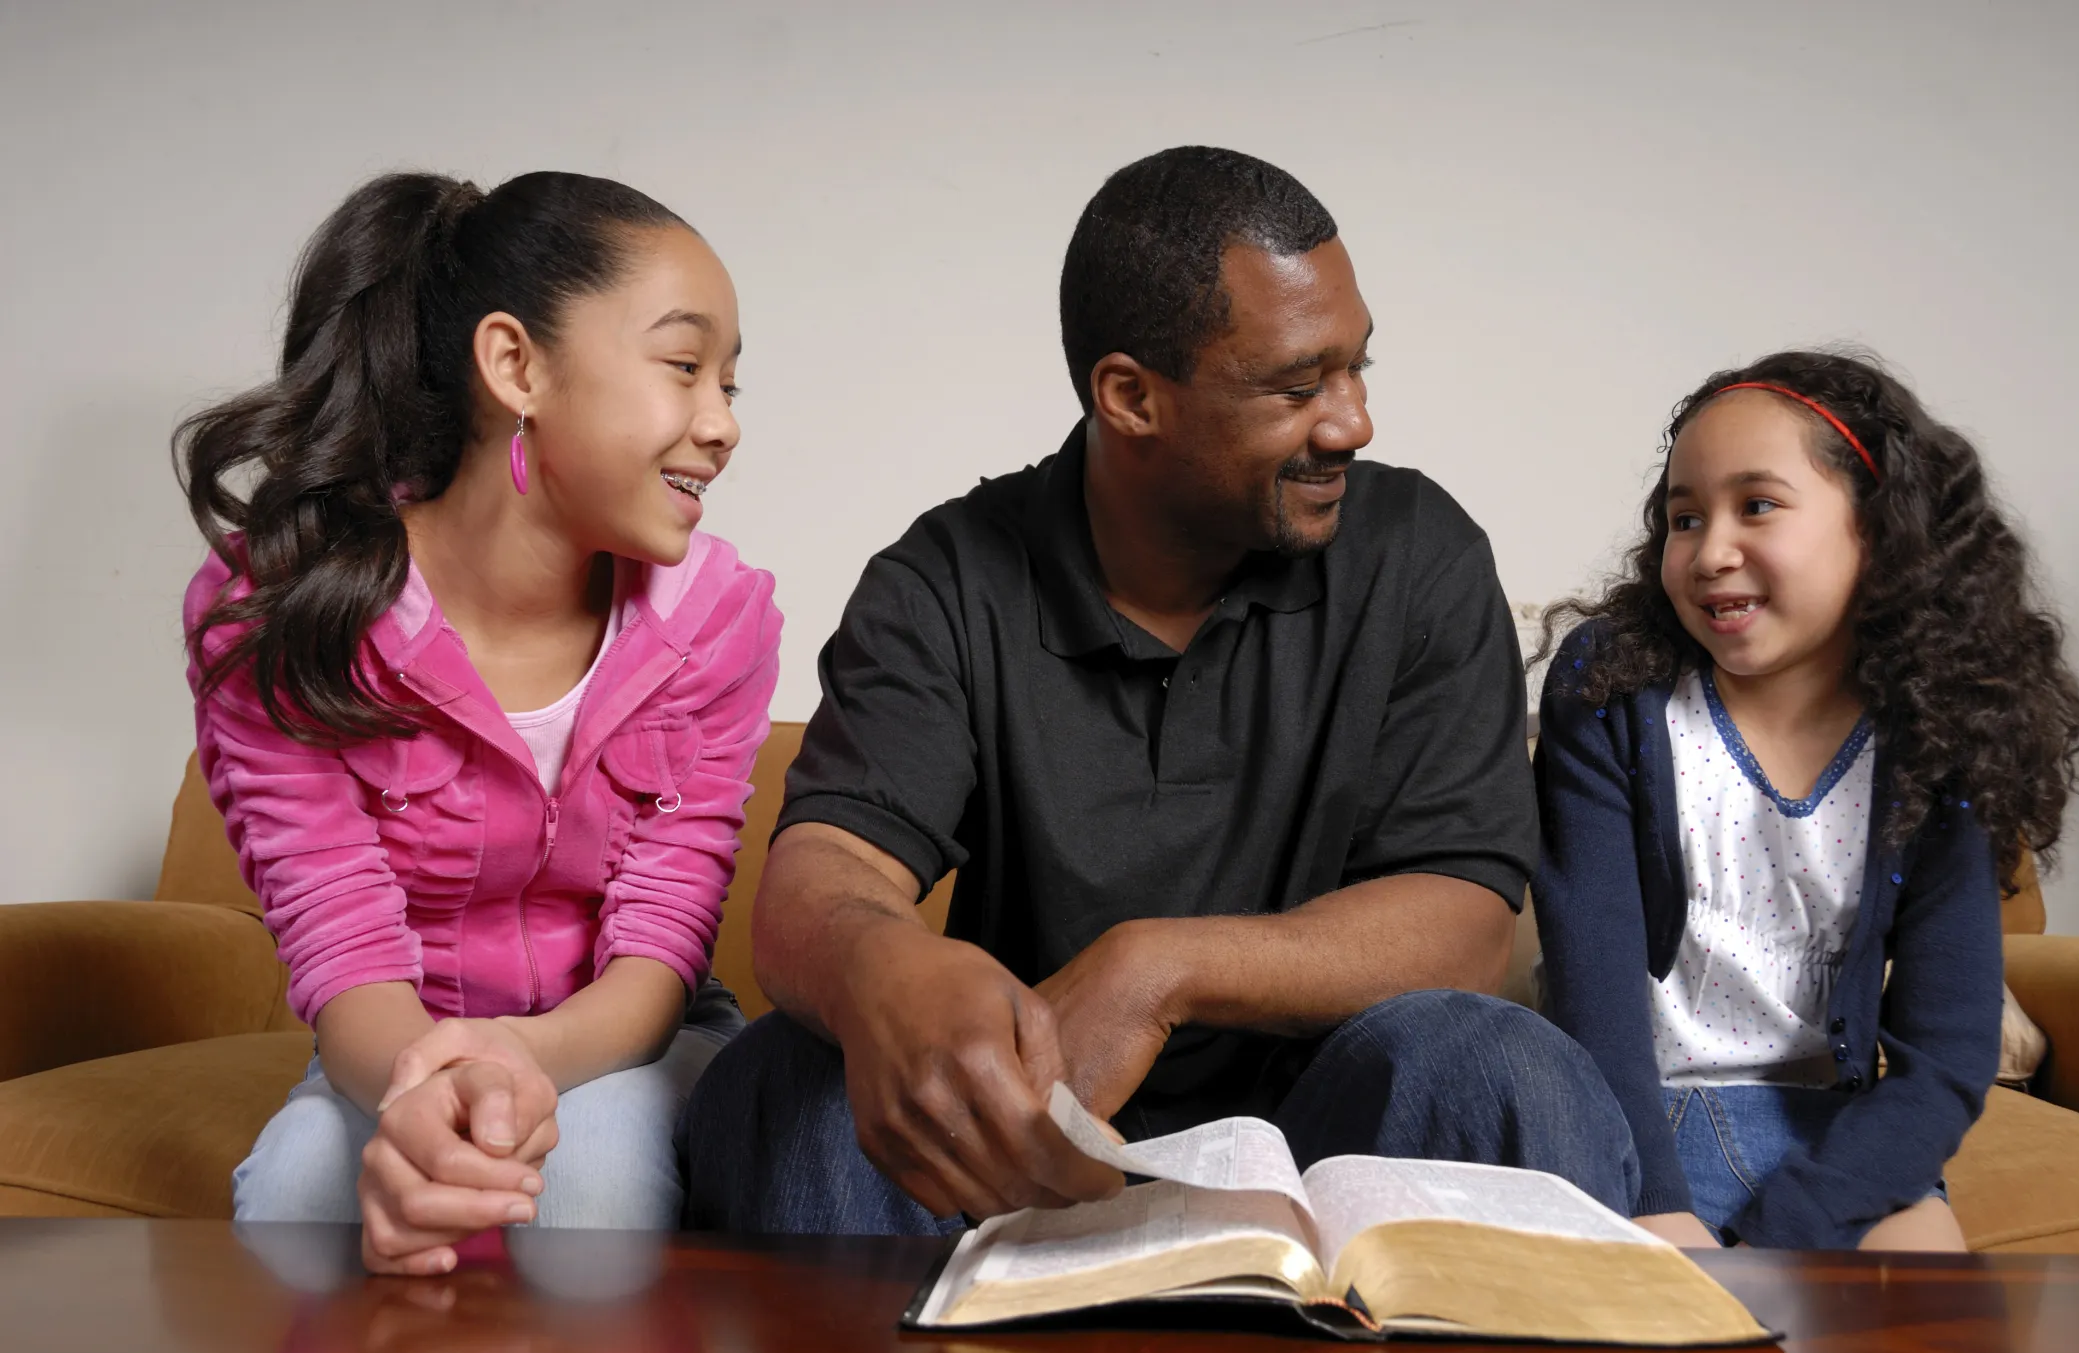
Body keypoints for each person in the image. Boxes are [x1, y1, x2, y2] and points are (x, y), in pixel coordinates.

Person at [683, 146, 1637, 1234]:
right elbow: (827, 873)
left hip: (1330, 1145)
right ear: (1131, 397)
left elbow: (1463, 921)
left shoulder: (1418, 552)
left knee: (1508, 1064)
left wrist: (1158, 965)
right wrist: (882, 966)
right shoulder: (945, 579)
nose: (1352, 422)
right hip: (1025, 1146)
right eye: (1297, 385)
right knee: (783, 1080)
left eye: (1356, 368)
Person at [179, 170, 780, 1274]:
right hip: (398, 1044)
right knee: (302, 1184)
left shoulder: (719, 622)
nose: (723, 423)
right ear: (516, 365)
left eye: (732, 384)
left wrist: (518, 1063)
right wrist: (435, 1083)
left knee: (588, 1169)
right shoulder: (277, 614)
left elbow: (661, 950)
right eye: (686, 367)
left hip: (623, 1041)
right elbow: (342, 946)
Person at [1533, 350, 2079, 1250]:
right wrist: (1653, 1206)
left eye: (1757, 505)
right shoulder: (1610, 692)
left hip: (1836, 1132)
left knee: (1923, 1310)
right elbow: (1590, 995)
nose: (1711, 550)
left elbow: (1944, 1060)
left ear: (1880, 528)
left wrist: (1791, 1229)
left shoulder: (1938, 731)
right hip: (1629, 1117)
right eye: (1684, 517)